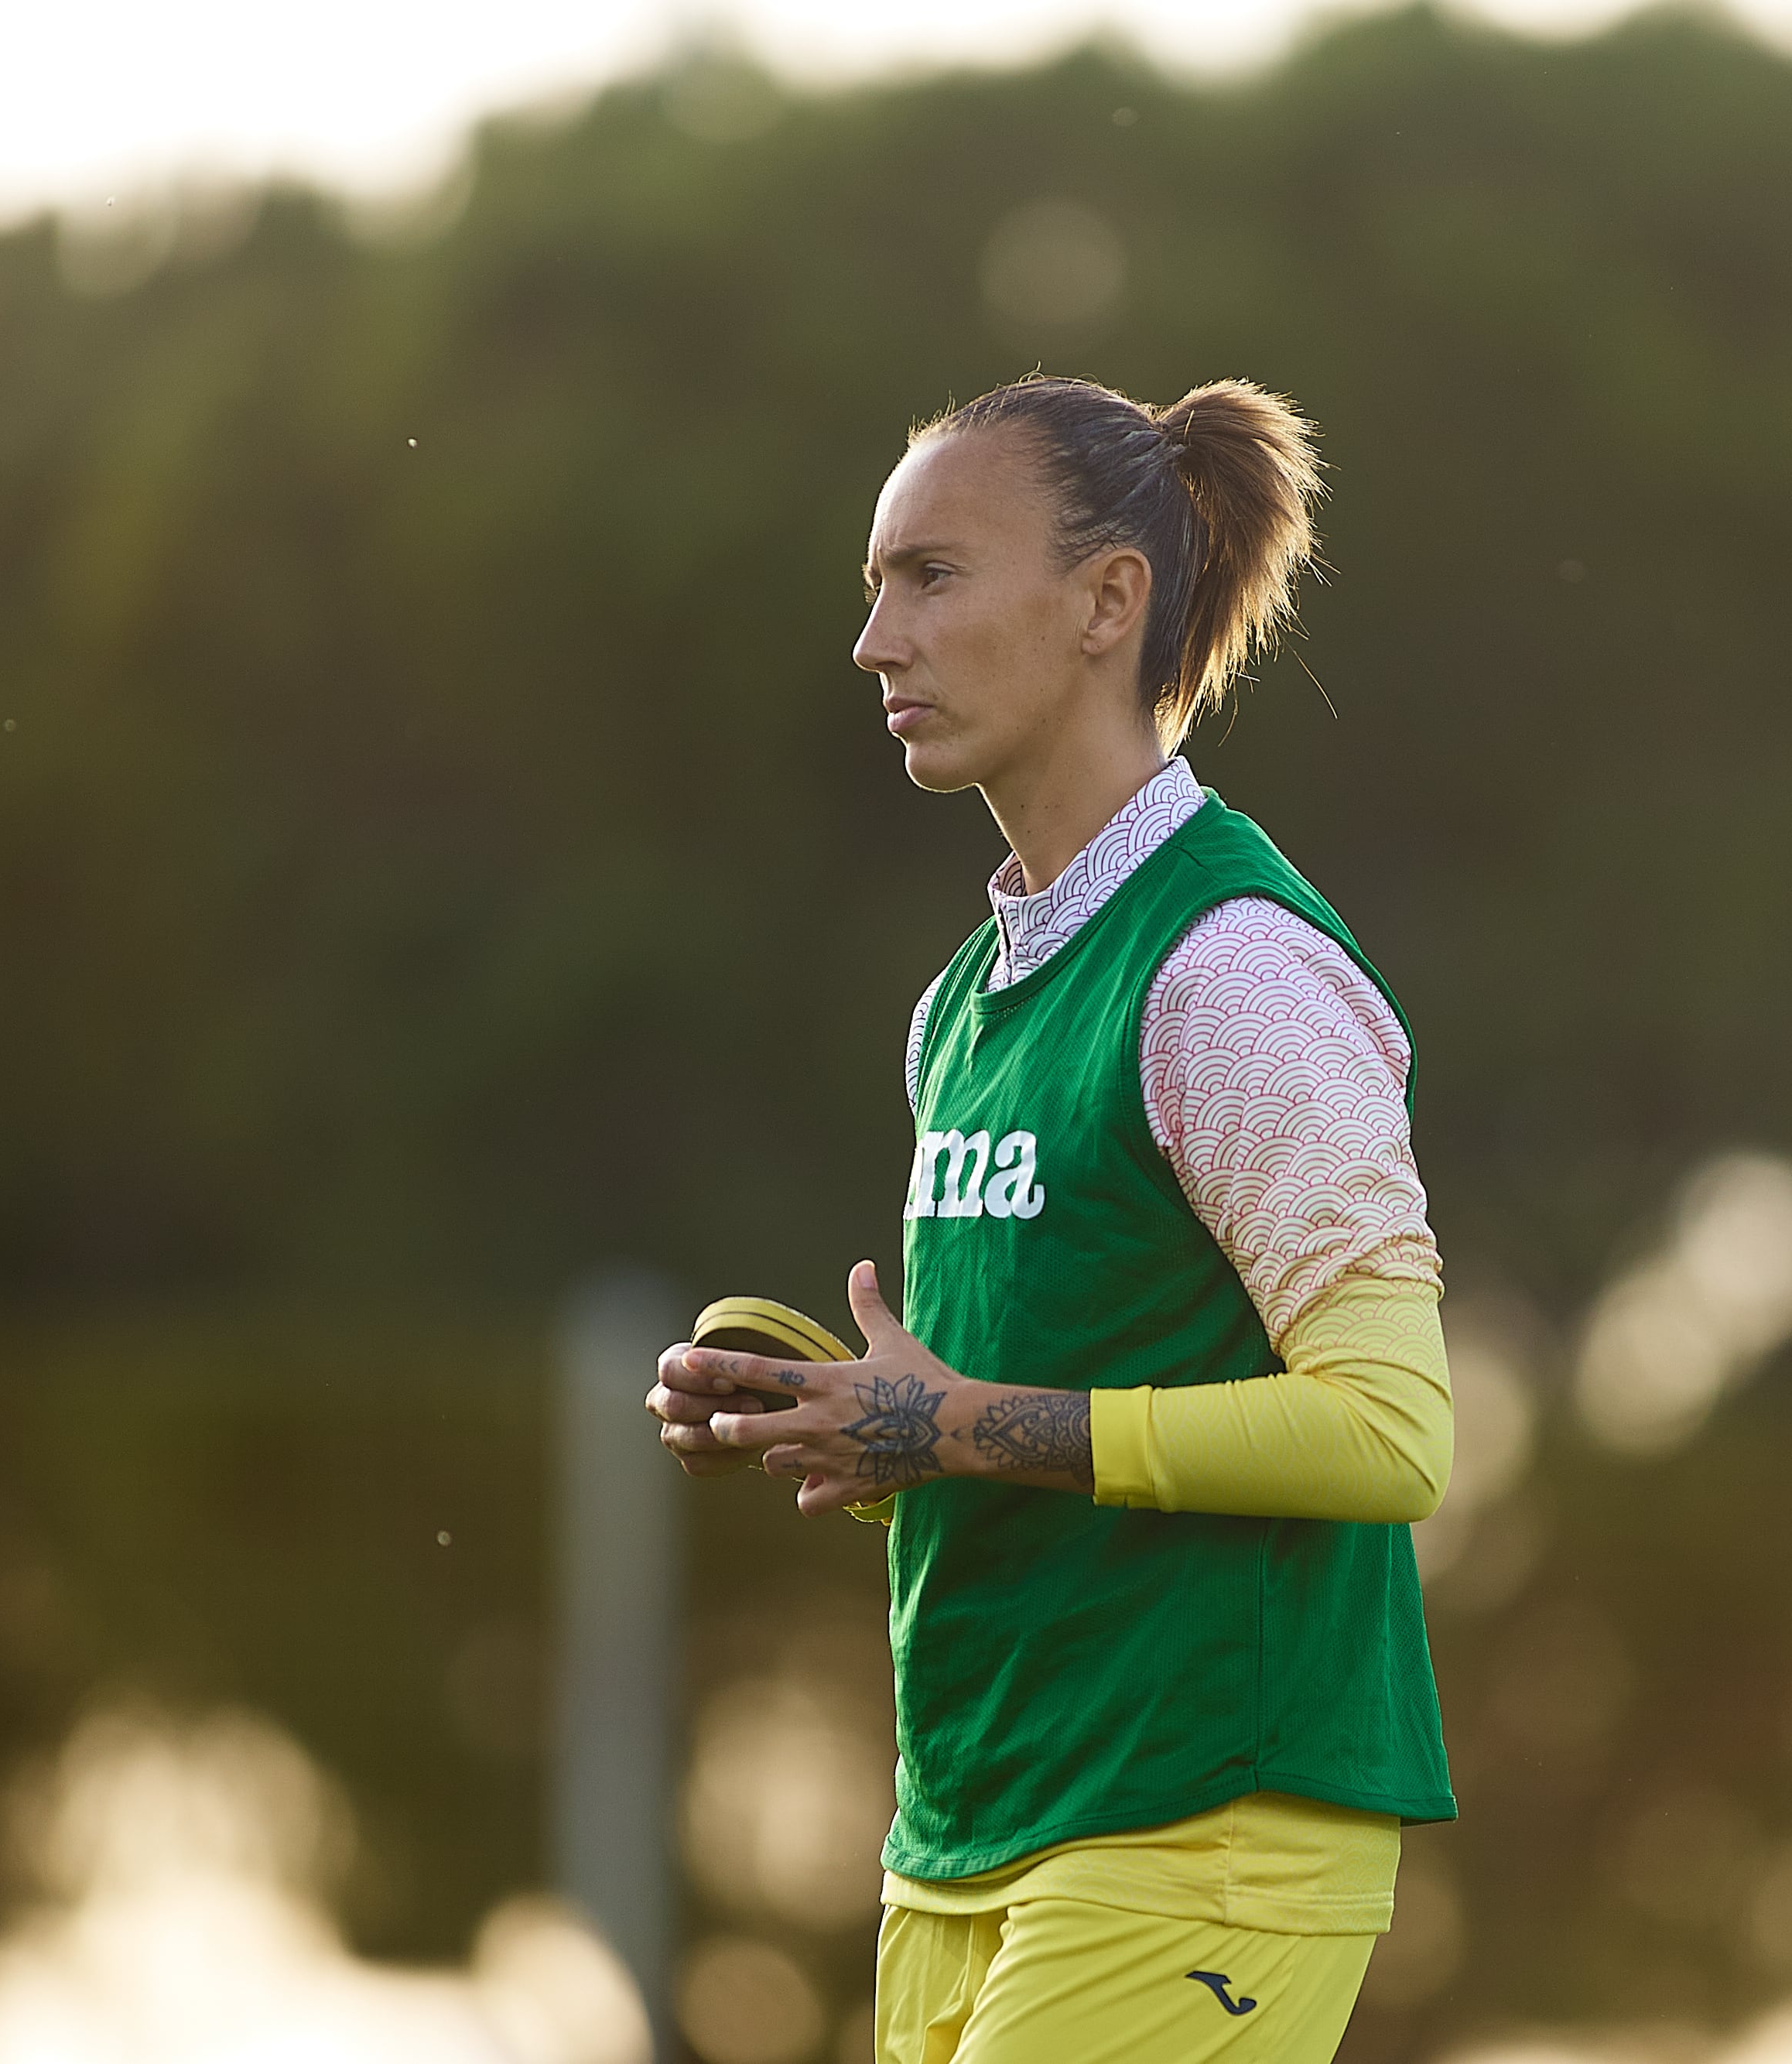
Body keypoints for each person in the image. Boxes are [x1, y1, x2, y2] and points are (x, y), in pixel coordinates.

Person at [648, 375, 1455, 2064]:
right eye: (874, 585)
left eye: (930, 576)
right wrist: (857, 1421)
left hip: (1202, 1826)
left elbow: (1388, 1433)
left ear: (1108, 602)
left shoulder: (1232, 972)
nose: (876, 640)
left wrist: (954, 1419)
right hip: (964, 1836)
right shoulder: (961, 1004)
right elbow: (1057, 1427)